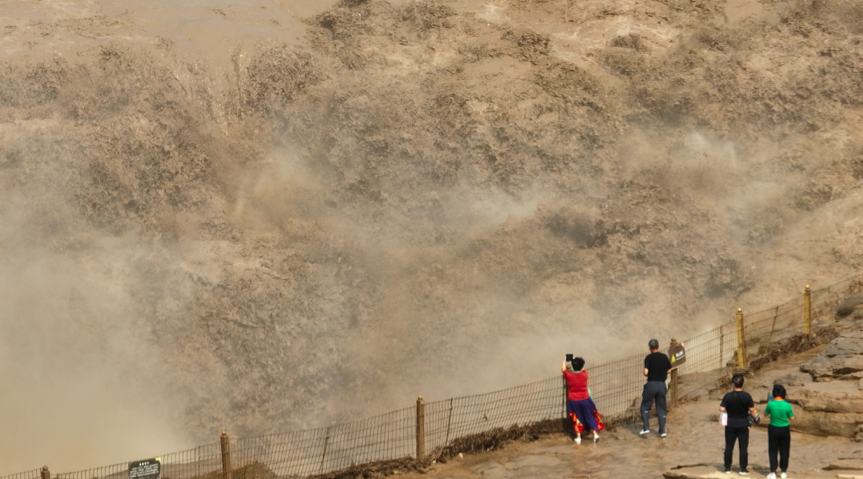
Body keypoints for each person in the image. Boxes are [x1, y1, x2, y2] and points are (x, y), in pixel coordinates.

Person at [720, 374, 758, 475]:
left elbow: (721, 408)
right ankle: (743, 469)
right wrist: (757, 418)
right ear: (742, 384)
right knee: (743, 447)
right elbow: (752, 410)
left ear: (733, 383)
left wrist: (727, 409)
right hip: (743, 424)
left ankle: (727, 468)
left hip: (730, 424)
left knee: (729, 446)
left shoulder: (727, 396)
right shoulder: (747, 396)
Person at [562, 357, 602, 444]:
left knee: (576, 418)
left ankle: (578, 438)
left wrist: (565, 360)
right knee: (589, 416)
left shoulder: (569, 376)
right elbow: (582, 369)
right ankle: (595, 434)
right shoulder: (585, 374)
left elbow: (563, 369)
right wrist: (575, 361)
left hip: (573, 401)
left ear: (573, 366)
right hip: (585, 399)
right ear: (581, 366)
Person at [640, 338, 672, 437]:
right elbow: (669, 370)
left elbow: (646, 372)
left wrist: (650, 373)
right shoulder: (664, 357)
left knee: (645, 406)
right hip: (662, 385)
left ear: (649, 347)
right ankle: (662, 431)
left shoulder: (648, 358)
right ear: (658, 346)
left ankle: (646, 428)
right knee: (661, 408)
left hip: (651, 385)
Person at [763, 384, 794, 479]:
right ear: (784, 394)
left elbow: (765, 414)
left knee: (773, 450)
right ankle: (783, 472)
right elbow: (792, 418)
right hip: (785, 429)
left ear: (773, 394)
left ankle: (772, 472)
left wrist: (769, 403)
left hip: (773, 428)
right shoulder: (787, 405)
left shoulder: (770, 404)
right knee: (784, 450)